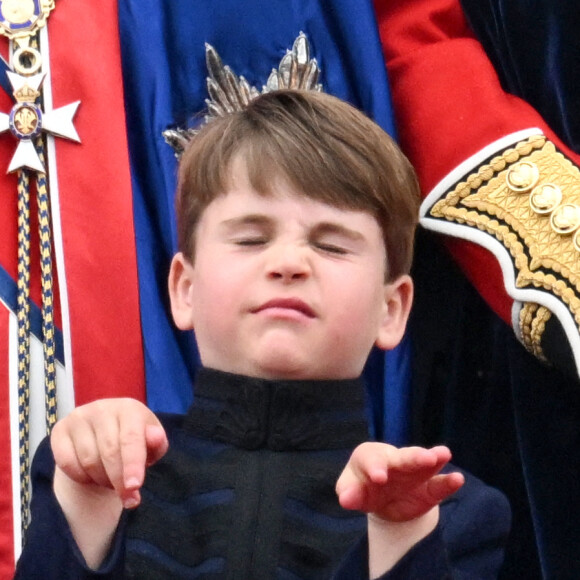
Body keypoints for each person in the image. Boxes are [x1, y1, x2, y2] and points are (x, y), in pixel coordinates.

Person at [14, 90, 509, 579]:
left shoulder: (447, 512)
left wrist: (399, 538)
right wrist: (88, 499)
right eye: (251, 238)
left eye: (332, 245)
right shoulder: (106, 468)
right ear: (185, 289)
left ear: (392, 308)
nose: (289, 263)